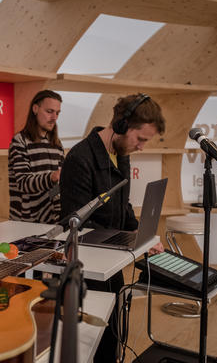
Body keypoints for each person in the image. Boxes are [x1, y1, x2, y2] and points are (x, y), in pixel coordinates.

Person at [60, 93, 165, 362]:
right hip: (88, 267)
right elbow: (76, 222)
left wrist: (144, 235)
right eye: (140, 139)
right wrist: (128, 240)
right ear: (121, 124)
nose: (141, 147)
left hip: (113, 262)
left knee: (113, 339)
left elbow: (123, 204)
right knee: (94, 344)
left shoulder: (121, 153)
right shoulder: (80, 158)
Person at [8, 90, 65, 224]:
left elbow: (56, 188)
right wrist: (52, 177)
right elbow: (23, 183)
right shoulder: (20, 141)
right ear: (35, 109)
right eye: (49, 111)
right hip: (25, 224)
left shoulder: (57, 144)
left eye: (57, 113)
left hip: (52, 222)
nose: (54, 117)